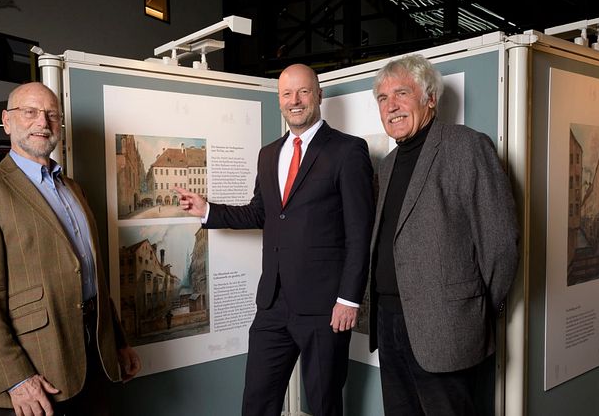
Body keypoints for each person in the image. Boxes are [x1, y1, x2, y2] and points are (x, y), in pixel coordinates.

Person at [175, 64, 374, 416]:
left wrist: (349, 299)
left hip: (325, 307)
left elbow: (360, 232)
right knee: (257, 401)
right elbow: (260, 213)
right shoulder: (269, 154)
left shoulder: (347, 151)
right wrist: (208, 211)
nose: (294, 101)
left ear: (319, 95)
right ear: (278, 100)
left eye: (303, 92)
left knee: (324, 404)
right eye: (286, 94)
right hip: (272, 303)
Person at [0, 82, 141, 416]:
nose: (43, 122)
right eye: (30, 112)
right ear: (7, 121)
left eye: (51, 114)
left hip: (96, 357)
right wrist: (15, 377)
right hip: (38, 368)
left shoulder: (73, 189)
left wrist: (120, 342)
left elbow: (94, 274)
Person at [369, 54, 519, 415]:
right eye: (383, 99)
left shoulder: (467, 147)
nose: (392, 107)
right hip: (389, 322)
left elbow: (501, 243)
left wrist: (477, 308)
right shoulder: (388, 164)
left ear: (430, 98)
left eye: (402, 94)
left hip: (446, 327)